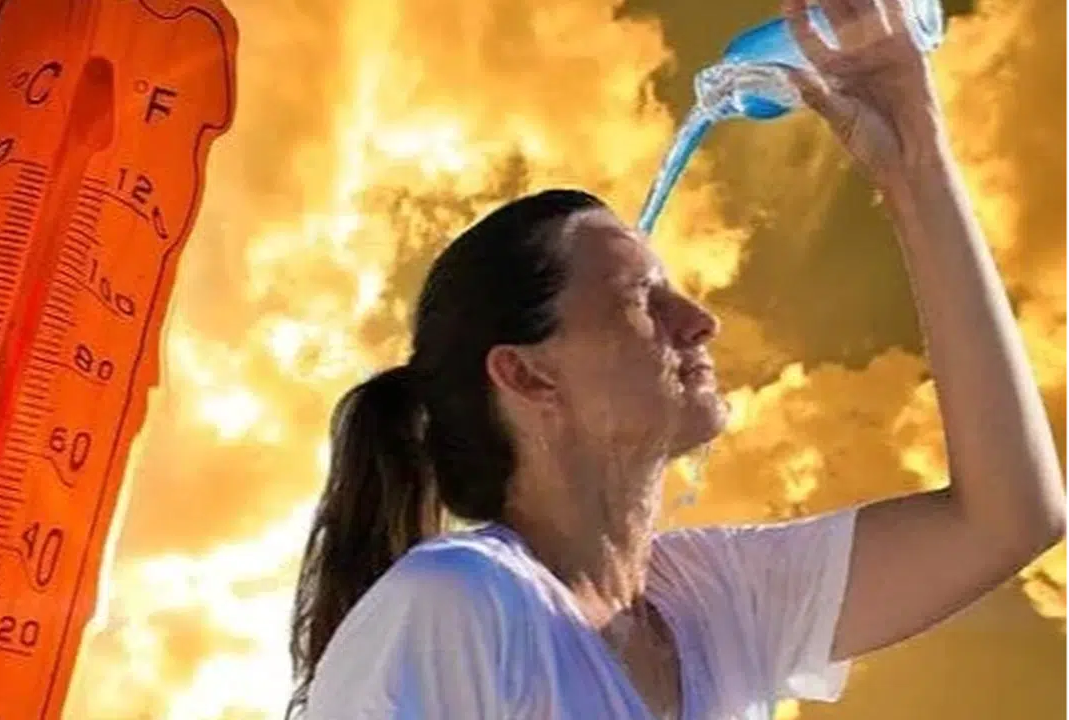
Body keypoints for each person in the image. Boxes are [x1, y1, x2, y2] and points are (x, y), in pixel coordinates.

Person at [286, 0, 1068, 717]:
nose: (700, 322)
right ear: (528, 375)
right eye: (642, 300)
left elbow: (1010, 518)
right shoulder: (460, 604)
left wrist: (916, 165)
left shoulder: (715, 603)